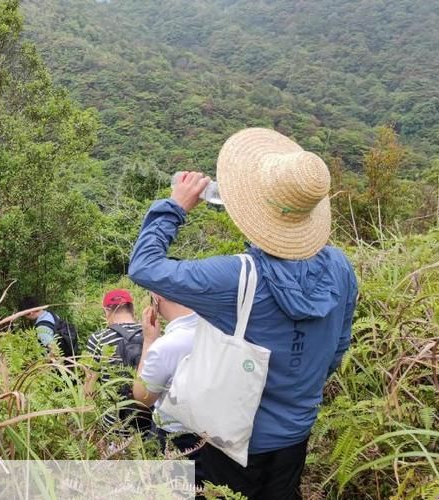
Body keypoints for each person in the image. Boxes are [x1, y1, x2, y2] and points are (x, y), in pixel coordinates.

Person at [128, 128, 358, 500]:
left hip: (229, 439)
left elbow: (144, 267)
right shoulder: (341, 269)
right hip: (294, 436)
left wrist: (175, 205)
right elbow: (337, 349)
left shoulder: (235, 276)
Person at [133, 293, 203, 472]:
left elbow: (143, 397)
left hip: (176, 439)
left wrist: (149, 341)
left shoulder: (166, 346)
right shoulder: (215, 327)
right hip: (217, 437)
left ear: (157, 298)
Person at [84, 289, 150, 433]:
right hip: (151, 423)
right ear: (132, 309)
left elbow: (90, 386)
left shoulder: (98, 339)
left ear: (107, 310)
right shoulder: (152, 334)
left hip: (114, 425)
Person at [19, 296, 79, 361]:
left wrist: (42, 363)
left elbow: (54, 350)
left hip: (60, 364)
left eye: (25, 316)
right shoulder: (50, 314)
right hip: (70, 355)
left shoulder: (42, 328)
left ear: (30, 313)